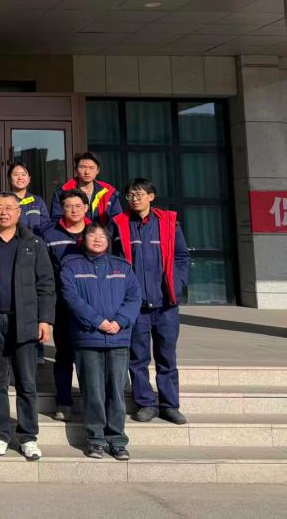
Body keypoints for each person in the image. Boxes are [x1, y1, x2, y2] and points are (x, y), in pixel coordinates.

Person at [0, 192, 55, 461]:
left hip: (24, 321)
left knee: (26, 382)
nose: (4, 212)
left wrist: (45, 319)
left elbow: (46, 284)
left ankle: (28, 436)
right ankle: (0, 434)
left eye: (9, 208)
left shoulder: (33, 243)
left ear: (19, 213)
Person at [111, 178, 191, 426]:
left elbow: (181, 257)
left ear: (151, 197)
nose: (134, 199)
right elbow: (115, 261)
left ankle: (170, 405)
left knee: (167, 357)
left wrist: (177, 283)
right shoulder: (120, 225)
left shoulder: (168, 223)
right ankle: (145, 403)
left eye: (139, 194)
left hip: (165, 303)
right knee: (138, 358)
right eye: (130, 195)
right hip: (136, 306)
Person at [61, 223, 141, 461]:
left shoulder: (123, 267)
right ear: (83, 239)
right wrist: (98, 321)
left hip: (118, 337)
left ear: (108, 240)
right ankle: (95, 439)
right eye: (91, 235)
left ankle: (117, 440)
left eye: (102, 236)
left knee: (116, 392)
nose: (97, 239)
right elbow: (71, 298)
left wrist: (120, 321)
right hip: (88, 338)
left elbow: (134, 297)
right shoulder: (71, 266)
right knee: (93, 392)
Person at [42, 189, 91, 421]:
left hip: (91, 306)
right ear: (61, 208)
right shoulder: (50, 235)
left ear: (86, 208)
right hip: (62, 305)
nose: (73, 210)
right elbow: (44, 271)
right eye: (68, 206)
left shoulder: (97, 233)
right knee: (64, 354)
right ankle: (63, 401)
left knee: (89, 356)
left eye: (78, 206)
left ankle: (92, 402)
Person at [49, 152, 121, 226]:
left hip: (103, 233)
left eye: (91, 168)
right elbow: (56, 221)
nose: (87, 172)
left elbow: (118, 220)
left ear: (98, 170)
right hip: (73, 232)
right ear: (76, 169)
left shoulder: (108, 192)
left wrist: (104, 233)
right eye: (82, 167)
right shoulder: (62, 192)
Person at [9, 162, 50, 235]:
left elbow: (46, 226)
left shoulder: (38, 202)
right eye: (16, 174)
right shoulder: (4, 201)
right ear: (9, 178)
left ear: (29, 179)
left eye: (23, 174)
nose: (20, 178)